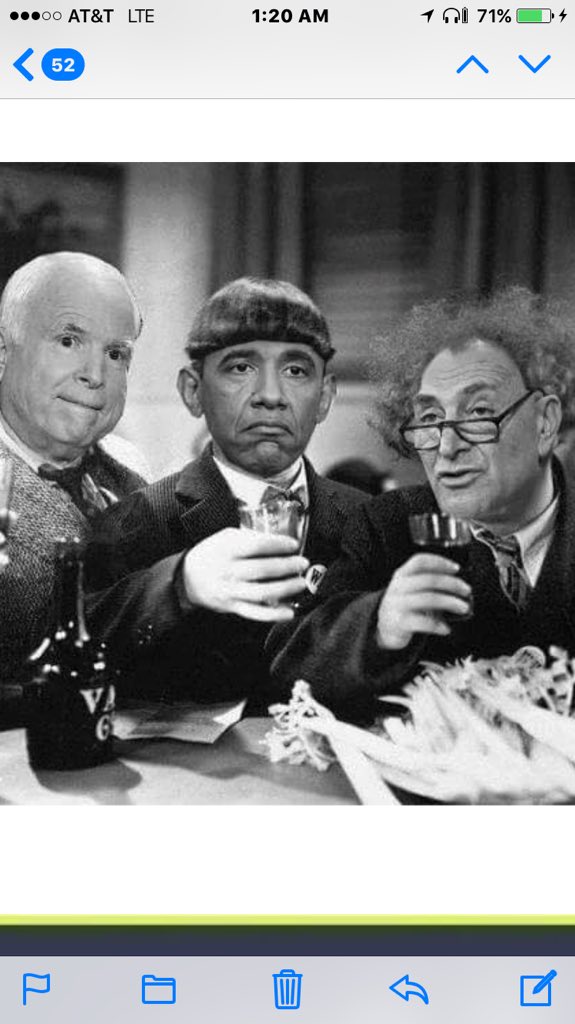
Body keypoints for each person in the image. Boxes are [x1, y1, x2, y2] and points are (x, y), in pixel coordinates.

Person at [268, 286, 575, 721]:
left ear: (545, 423)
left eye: (478, 413)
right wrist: (378, 625)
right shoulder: (387, 526)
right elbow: (288, 665)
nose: (447, 447)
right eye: (430, 419)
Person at [86, 276, 367, 704]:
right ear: (193, 391)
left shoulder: (369, 521)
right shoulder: (134, 522)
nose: (270, 396)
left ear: (325, 396)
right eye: (240, 368)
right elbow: (83, 645)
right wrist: (180, 585)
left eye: (296, 371)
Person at [0, 251, 147, 694]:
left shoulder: (132, 470)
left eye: (116, 353)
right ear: (3, 351)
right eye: (68, 341)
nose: (95, 375)